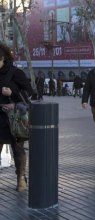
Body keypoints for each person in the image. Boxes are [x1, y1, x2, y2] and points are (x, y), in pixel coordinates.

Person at [0, 43, 34, 192]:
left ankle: (21, 178)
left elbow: (29, 92)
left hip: (14, 119)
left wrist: (12, 94)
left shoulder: (15, 73)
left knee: (17, 149)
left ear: (2, 58)